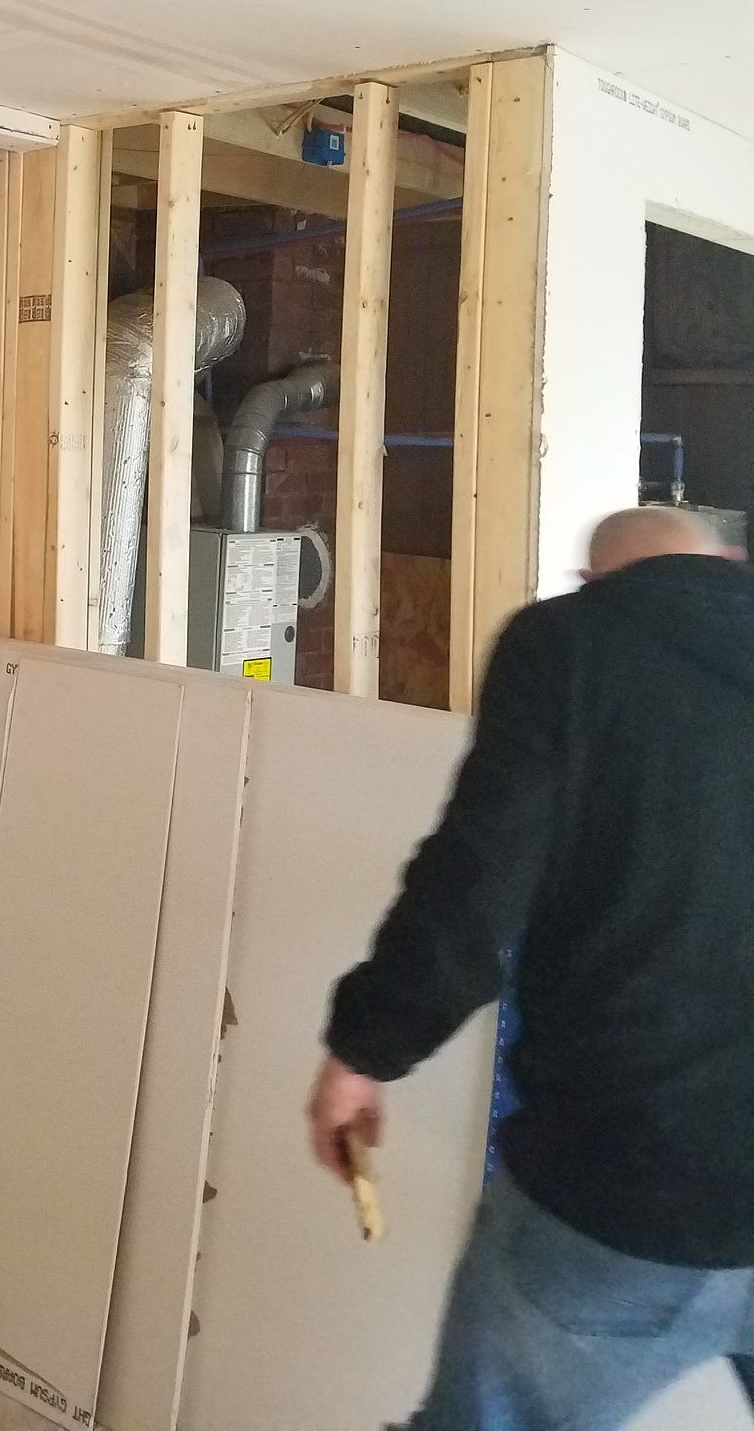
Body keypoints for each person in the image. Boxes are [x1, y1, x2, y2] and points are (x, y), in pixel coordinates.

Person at [307, 506, 754, 1429]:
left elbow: (477, 879)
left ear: (594, 583)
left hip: (622, 1193)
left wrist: (366, 1050)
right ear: (732, 562)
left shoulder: (569, 646)